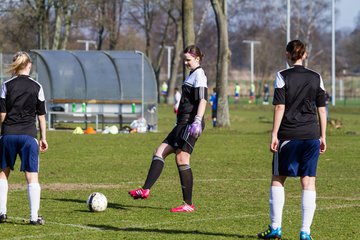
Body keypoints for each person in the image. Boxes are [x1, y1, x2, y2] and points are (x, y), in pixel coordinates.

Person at [258, 40, 327, 240]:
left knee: (278, 179)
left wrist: (274, 134)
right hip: (311, 136)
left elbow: (280, 107)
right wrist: (323, 135)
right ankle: (305, 232)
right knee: (309, 182)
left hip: (289, 135)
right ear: (305, 55)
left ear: (287, 54)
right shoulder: (317, 77)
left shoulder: (282, 76)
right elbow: (321, 109)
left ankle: (275, 228)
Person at [129, 45, 207, 212]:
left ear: (198, 59)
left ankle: (188, 204)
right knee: (160, 151)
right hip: (181, 123)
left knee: (182, 159)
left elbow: (203, 100)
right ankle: (145, 189)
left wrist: (198, 120)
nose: (186, 63)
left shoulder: (199, 74)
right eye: (184, 60)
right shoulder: (192, 74)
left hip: (191, 123)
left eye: (189, 60)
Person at [0, 52, 48, 225]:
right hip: (28, 135)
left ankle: (1, 213)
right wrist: (43, 137)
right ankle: (34, 217)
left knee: (3, 174)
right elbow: (41, 116)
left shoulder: (6, 85)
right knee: (31, 177)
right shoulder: (37, 86)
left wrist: (4, 132)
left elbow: (2, 115)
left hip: (8, 135)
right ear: (29, 65)